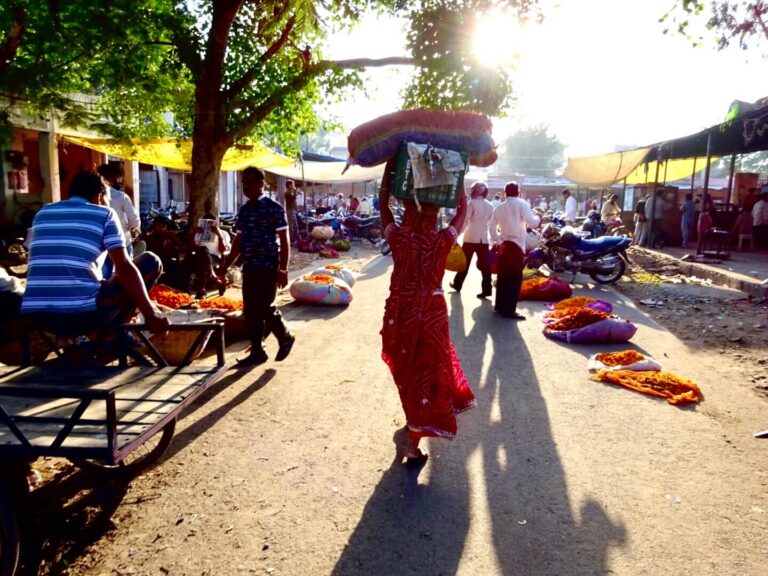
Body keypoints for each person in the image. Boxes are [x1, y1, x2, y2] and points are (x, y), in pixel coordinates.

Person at [378, 158, 475, 466]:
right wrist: (457, 180)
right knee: (427, 375)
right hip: (430, 315)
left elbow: (382, 206)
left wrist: (388, 174)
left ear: (406, 208)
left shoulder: (399, 236)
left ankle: (413, 422)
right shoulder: (440, 239)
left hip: (399, 313)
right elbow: (463, 211)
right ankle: (412, 442)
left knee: (407, 372)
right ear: (436, 212)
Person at [21, 171, 169, 336]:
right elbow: (124, 268)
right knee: (151, 261)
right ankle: (110, 336)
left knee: (109, 278)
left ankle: (99, 337)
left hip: (40, 316)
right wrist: (150, 313)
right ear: (99, 195)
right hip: (82, 316)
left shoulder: (43, 213)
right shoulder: (105, 213)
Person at [220, 167, 295, 367]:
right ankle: (257, 351)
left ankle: (285, 336)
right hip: (250, 267)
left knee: (265, 307)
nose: (247, 186)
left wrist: (283, 269)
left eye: (252, 182)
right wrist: (226, 265)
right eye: (244, 182)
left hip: (269, 266)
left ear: (262, 184)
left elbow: (284, 239)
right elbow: (238, 241)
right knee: (250, 311)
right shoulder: (244, 210)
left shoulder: (274, 208)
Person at [490, 181, 540, 320]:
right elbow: (533, 223)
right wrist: (538, 217)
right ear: (518, 192)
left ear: (505, 193)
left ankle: (499, 306)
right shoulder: (522, 204)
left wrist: (499, 242)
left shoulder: (499, 208)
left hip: (504, 245)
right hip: (516, 246)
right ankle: (509, 310)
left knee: (503, 277)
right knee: (514, 279)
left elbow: (491, 228)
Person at [449, 181, 494, 298]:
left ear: (476, 191)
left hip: (470, 238)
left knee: (464, 264)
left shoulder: (472, 203)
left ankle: (457, 285)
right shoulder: (490, 205)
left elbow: (464, 221)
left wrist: (456, 235)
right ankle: (487, 290)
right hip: (483, 239)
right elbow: (489, 223)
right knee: (485, 266)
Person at [284, 179, 299, 245]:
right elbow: (293, 198)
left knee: (295, 225)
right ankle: (292, 240)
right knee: (291, 226)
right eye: (292, 184)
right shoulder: (287, 193)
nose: (293, 186)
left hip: (292, 210)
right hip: (290, 210)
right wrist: (295, 191)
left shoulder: (290, 192)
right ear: (289, 185)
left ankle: (295, 238)